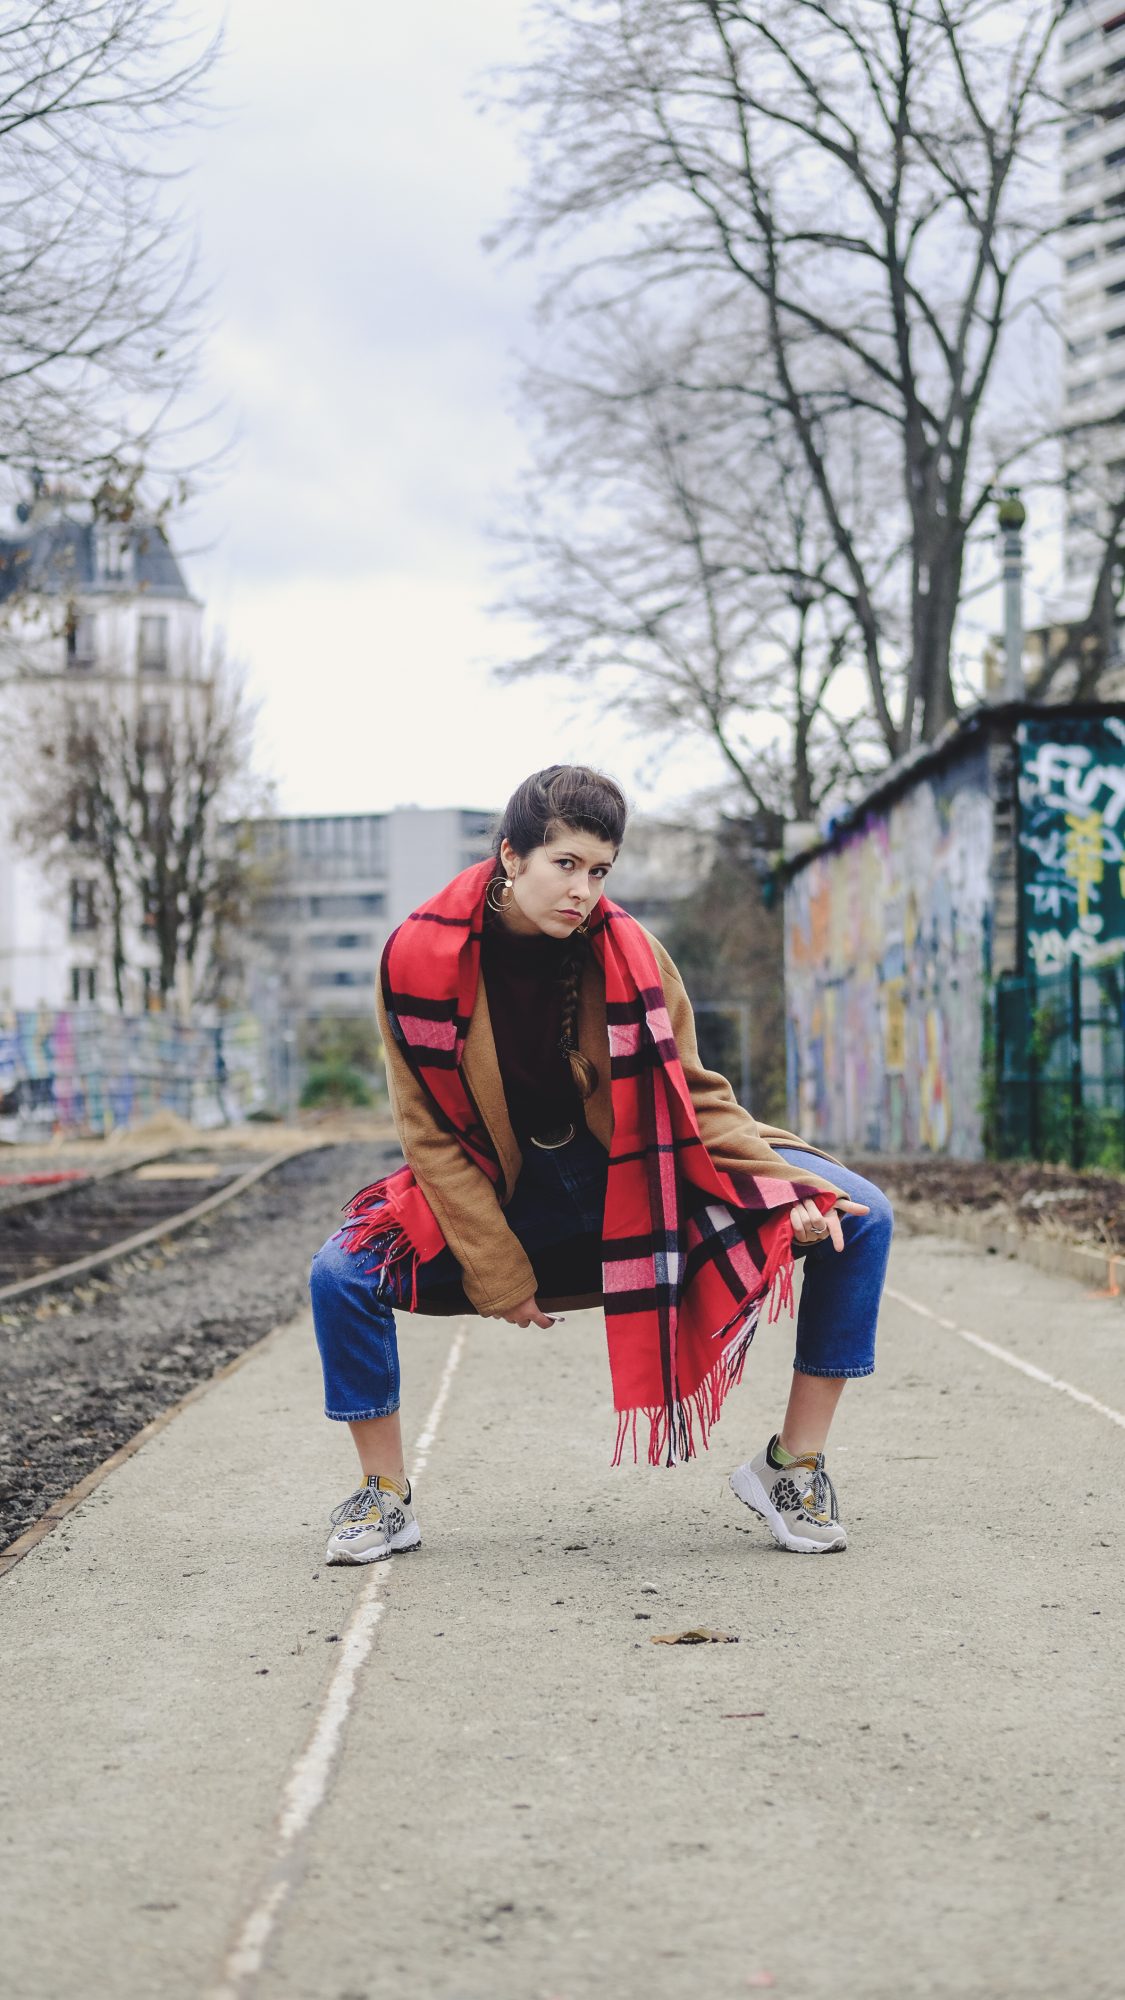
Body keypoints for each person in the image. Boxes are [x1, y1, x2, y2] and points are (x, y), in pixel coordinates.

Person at [309, 766, 892, 1565]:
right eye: (565, 864)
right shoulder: (415, 958)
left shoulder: (630, 950)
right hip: (509, 1194)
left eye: (599, 871)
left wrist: (785, 1189)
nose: (583, 890)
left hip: (641, 1175)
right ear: (510, 856)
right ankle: (382, 1495)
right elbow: (430, 1137)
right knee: (339, 1274)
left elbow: (693, 1096)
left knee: (859, 1216)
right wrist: (497, 1270)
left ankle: (791, 1468)